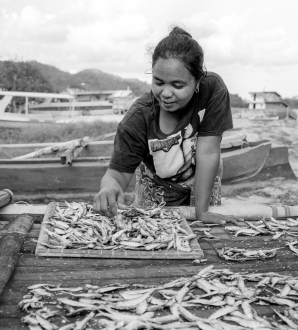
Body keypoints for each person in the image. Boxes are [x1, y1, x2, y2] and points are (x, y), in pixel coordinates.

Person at [93, 26, 243, 226]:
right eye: (158, 82)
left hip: (201, 178)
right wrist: (109, 187)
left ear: (197, 81)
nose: (165, 93)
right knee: (152, 231)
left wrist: (202, 211)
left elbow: (208, 152)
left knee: (203, 231)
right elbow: (117, 173)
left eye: (177, 86)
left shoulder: (212, 90)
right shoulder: (138, 118)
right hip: (156, 183)